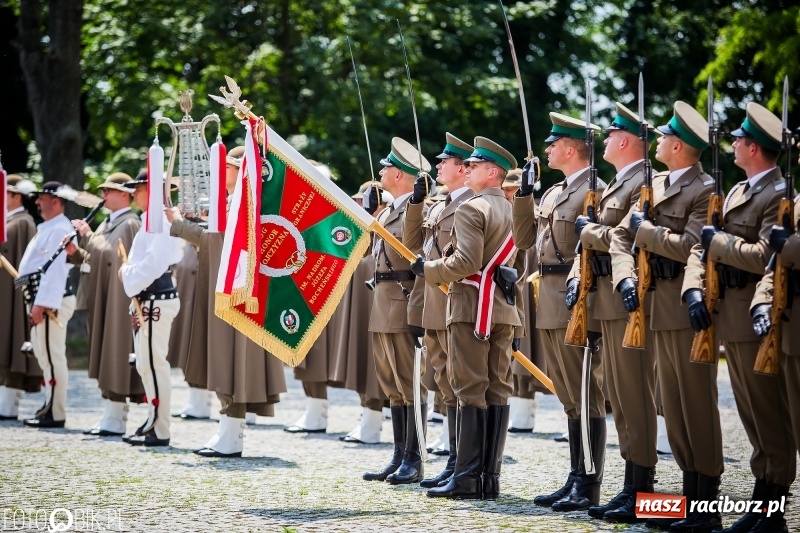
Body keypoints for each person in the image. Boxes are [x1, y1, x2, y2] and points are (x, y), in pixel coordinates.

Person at [609, 101, 721, 531]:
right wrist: (624, 278)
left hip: (685, 306)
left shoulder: (704, 189)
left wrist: (647, 232)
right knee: (671, 407)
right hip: (650, 305)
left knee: (696, 405)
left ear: (677, 145)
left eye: (663, 136)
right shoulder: (652, 183)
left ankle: (704, 504)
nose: (656, 140)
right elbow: (620, 236)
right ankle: (683, 503)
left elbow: (694, 245)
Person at [684, 102, 794, 533]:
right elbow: (709, 246)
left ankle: (774, 508)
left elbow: (767, 256)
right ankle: (761, 503)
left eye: (737, 140)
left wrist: (718, 242)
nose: (731, 145)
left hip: (757, 314)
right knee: (751, 415)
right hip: (729, 315)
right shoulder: (738, 191)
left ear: (754, 147)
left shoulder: (777, 195)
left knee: (769, 416)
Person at [413, 136, 523, 500]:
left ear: (492, 173)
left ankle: (467, 476)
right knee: (497, 389)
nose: (468, 169)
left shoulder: (472, 208)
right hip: (503, 308)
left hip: (471, 306)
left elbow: (465, 264)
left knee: (468, 389)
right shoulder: (510, 208)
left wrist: (429, 269)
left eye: (474, 166)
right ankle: (488, 477)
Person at [567, 103, 660, 522]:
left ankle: (643, 490)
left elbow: (629, 237)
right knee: (618, 397)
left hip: (628, 299)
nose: (603, 142)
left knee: (633, 397)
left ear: (624, 141)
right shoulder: (619, 182)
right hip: (604, 298)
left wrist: (590, 231)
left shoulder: (644, 181)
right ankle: (630, 485)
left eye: (609, 135)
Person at [513, 113, 607, 511]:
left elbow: (598, 250)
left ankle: (589, 481)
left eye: (553, 144)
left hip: (577, 297)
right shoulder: (553, 193)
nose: (547, 149)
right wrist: (525, 194)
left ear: (570, 148)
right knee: (568, 394)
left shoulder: (595, 190)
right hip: (548, 297)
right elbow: (523, 239)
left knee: (586, 393)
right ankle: (575, 476)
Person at [168, 146, 286, 457]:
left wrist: (180, 225)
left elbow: (221, 242)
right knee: (225, 361)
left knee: (233, 362)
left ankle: (232, 435)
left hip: (240, 295)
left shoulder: (246, 205)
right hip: (232, 292)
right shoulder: (234, 203)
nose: (221, 173)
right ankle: (228, 431)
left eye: (228, 168)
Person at [404, 132, 474, 488]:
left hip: (455, 302)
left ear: (463, 169)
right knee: (445, 387)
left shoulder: (470, 205)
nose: (437, 165)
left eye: (444, 162)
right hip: (434, 303)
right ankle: (452, 459)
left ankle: (461, 461)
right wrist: (416, 204)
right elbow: (411, 244)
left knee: (459, 385)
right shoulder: (440, 204)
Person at [362, 137, 431, 485]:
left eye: (387, 167)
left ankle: (415, 459)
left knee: (409, 382)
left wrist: (418, 202)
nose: (381, 172)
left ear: (401, 176)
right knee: (392, 385)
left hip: (403, 299)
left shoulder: (417, 208)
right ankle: (399, 454)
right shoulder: (388, 210)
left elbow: (413, 248)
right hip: (382, 301)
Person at [65, 173, 143, 436]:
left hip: (118, 299)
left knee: (116, 352)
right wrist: (77, 253)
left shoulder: (130, 223)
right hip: (103, 294)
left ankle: (117, 415)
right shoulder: (108, 224)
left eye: (109, 191)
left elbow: (113, 255)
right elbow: (98, 258)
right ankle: (110, 411)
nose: (103, 196)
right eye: (103, 191)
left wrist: (87, 236)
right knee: (103, 350)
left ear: (125, 195)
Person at [750, 142, 800, 533]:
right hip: (780, 322)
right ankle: (766, 509)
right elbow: (772, 264)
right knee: (766, 419)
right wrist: (762, 302)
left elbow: (779, 250)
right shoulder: (794, 200)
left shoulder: (782, 195)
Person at [119, 172, 183, 446]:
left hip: (156, 296)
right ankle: (152, 418)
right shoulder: (149, 219)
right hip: (145, 297)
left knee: (155, 365)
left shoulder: (161, 219)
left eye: (139, 188)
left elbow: (155, 263)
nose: (134, 193)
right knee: (145, 364)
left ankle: (161, 426)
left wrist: (128, 275)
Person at [332, 182, 392, 445]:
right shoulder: (359, 227)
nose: (360, 206)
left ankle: (373, 422)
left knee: (376, 366)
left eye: (365, 201)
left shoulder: (386, 225)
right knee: (362, 362)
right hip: (361, 303)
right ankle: (367, 417)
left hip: (379, 303)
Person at [17, 182, 77, 428]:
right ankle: (50, 404)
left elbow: (54, 272)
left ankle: (56, 411)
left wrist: (42, 304)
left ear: (56, 201)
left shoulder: (60, 228)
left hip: (53, 299)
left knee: (53, 357)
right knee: (44, 355)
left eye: (42, 198)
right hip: (41, 298)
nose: (38, 203)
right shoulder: (49, 228)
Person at [500, 168, 544, 434]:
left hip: (531, 287)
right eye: (505, 188)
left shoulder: (532, 213)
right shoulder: (501, 211)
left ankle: (526, 410)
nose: (508, 193)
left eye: (512, 188)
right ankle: (520, 411)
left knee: (530, 351)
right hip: (513, 287)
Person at [0, 175, 39, 420]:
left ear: (16, 196)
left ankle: (9, 403)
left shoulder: (23, 223)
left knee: (13, 342)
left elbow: (26, 266)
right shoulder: (10, 221)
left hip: (13, 295)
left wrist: (21, 291)